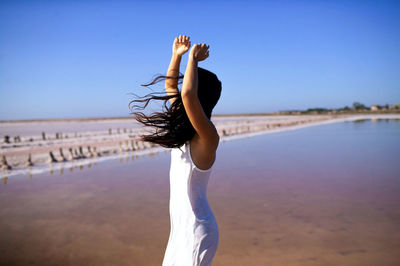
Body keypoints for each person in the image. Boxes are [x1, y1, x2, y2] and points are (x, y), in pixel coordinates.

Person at [129, 35, 222, 265]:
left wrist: (193, 60)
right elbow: (172, 86)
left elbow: (188, 95)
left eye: (188, 82)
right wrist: (176, 56)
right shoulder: (185, 128)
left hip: (197, 229)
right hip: (180, 228)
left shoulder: (208, 137)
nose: (181, 89)